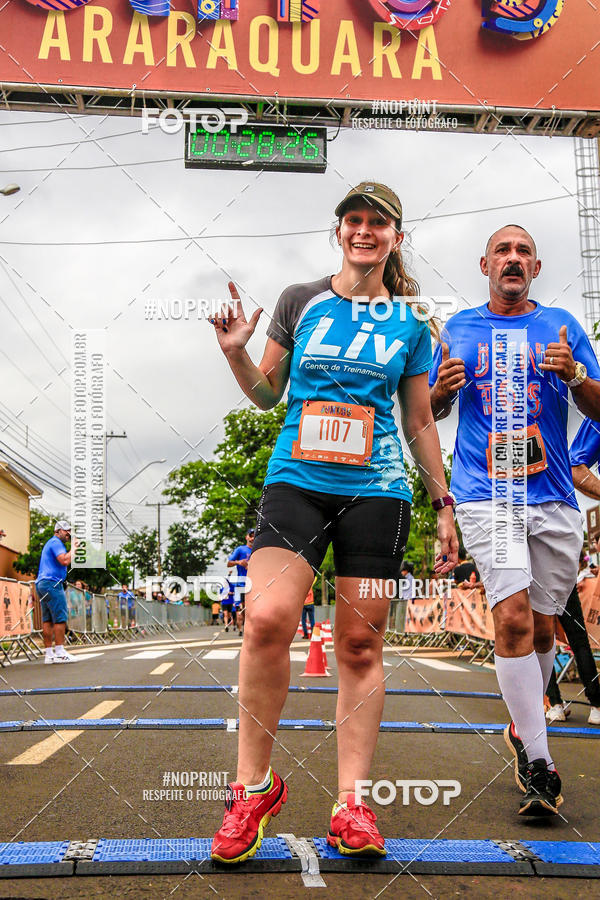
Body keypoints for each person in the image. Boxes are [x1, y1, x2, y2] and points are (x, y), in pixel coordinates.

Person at [209, 181, 458, 863]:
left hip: (376, 492)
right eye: (354, 220)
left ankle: (352, 804)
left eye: (378, 222)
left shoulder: (411, 318)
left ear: (395, 236)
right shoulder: (301, 300)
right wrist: (236, 352)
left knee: (358, 647)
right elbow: (267, 396)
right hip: (297, 481)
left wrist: (443, 505)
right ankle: (251, 788)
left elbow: (416, 420)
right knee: (265, 618)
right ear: (339, 230)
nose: (365, 231)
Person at [429, 224, 600, 816]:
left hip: (553, 496)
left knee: (547, 631)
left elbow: (599, 406)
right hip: (487, 493)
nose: (513, 258)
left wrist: (575, 375)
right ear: (484, 264)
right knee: (515, 619)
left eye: (523, 251)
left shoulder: (561, 327)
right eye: (502, 250)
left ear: (536, 265)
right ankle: (539, 762)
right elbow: (422, 414)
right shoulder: (458, 330)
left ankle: (523, 725)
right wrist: (441, 392)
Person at [545, 561, 600, 725]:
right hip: (564, 580)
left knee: (544, 644)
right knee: (580, 643)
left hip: (542, 582)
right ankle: (596, 705)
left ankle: (555, 704)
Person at [36, 521, 78, 664]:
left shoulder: (50, 543)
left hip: (42, 583)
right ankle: (60, 652)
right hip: (52, 583)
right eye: (66, 530)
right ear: (57, 531)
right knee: (60, 617)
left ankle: (49, 655)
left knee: (47, 619)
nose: (68, 533)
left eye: (69, 531)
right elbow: (64, 560)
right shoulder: (56, 543)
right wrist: (74, 549)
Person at [228, 529, 254, 636]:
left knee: (250, 610)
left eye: (254, 536)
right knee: (239, 611)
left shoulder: (258, 550)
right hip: (240, 584)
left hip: (254, 584)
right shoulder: (240, 549)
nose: (252, 538)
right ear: (246, 537)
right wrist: (239, 562)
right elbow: (229, 563)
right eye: (250, 536)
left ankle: (249, 630)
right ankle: (240, 630)